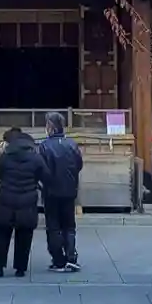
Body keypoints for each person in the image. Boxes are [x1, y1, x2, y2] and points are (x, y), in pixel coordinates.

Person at [0, 128, 50, 278]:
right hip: (27, 200)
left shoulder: (6, 157)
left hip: (6, 199)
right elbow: (45, 175)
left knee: (2, 234)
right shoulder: (36, 158)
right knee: (24, 235)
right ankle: (20, 268)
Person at [38, 111, 84, 272]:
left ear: (50, 126)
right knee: (69, 225)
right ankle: (71, 256)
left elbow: (41, 169)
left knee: (53, 226)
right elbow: (79, 164)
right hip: (69, 190)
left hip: (51, 191)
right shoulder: (72, 144)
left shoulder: (44, 146)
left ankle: (58, 259)